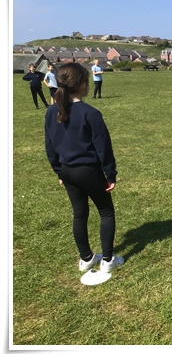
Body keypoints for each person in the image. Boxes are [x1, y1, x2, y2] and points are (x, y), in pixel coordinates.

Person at [44, 63, 124, 273]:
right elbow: (104, 148)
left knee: (79, 214)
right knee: (106, 211)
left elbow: (50, 147)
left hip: (67, 171)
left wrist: (59, 171)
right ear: (82, 85)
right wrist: (110, 174)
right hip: (88, 171)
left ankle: (86, 258)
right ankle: (107, 260)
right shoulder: (91, 113)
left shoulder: (51, 112)